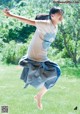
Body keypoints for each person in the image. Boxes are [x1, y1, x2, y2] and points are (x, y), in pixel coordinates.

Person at [3, 6, 64, 110]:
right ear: (53, 16)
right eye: (59, 15)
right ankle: (24, 63)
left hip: (42, 58)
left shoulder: (55, 26)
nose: (61, 17)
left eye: (62, 14)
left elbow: (46, 17)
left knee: (57, 72)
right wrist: (10, 15)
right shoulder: (46, 24)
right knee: (36, 74)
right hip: (34, 57)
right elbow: (28, 21)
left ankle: (39, 95)